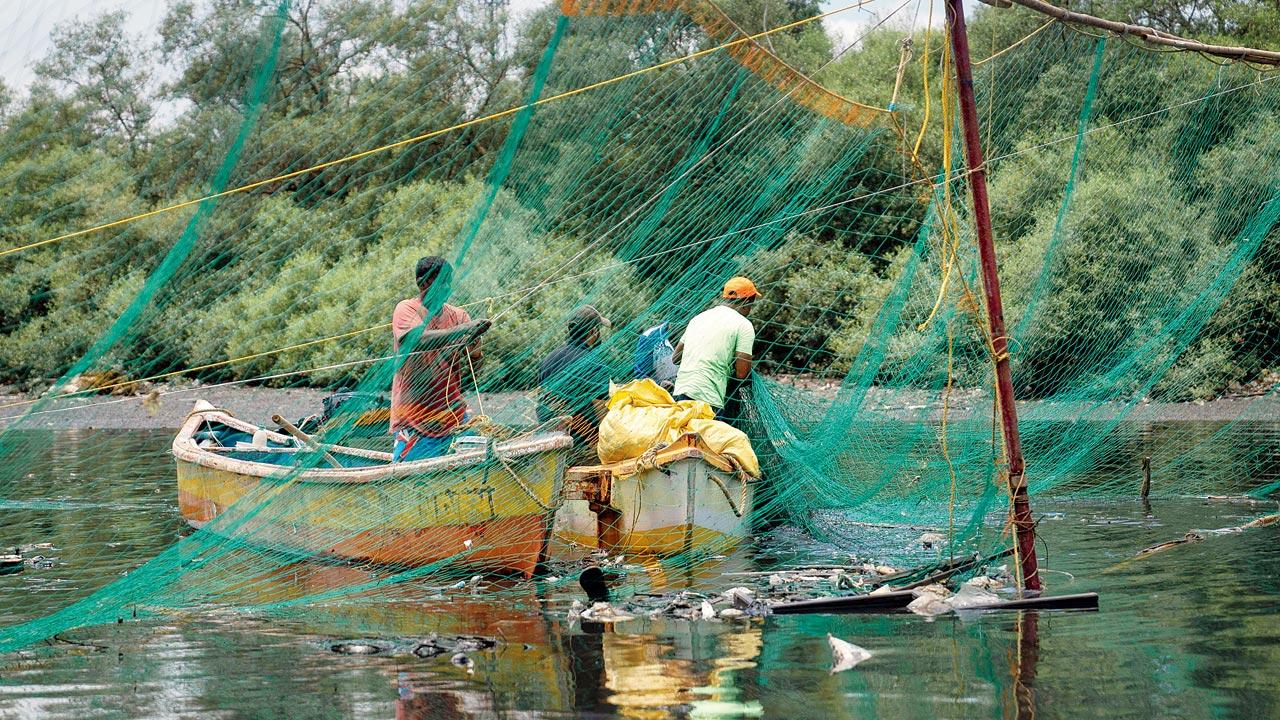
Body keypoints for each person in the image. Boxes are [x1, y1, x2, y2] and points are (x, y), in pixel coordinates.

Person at [390, 256, 484, 462]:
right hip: (413, 419)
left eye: (449, 282)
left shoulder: (459, 315)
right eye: (442, 282)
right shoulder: (407, 309)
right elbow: (414, 339)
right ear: (424, 283)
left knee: (476, 468)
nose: (448, 288)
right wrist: (462, 330)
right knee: (406, 481)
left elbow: (472, 374)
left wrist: (476, 352)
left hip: (454, 418)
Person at [672, 276, 758, 422]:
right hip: (709, 399)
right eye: (751, 304)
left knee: (683, 441)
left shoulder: (699, 318)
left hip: (682, 392)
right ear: (746, 302)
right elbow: (742, 374)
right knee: (709, 443)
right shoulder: (744, 325)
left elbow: (675, 358)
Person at [536, 305, 614, 452]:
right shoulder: (595, 363)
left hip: (549, 444)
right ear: (593, 332)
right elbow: (601, 411)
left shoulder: (548, 359)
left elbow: (541, 401)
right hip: (583, 446)